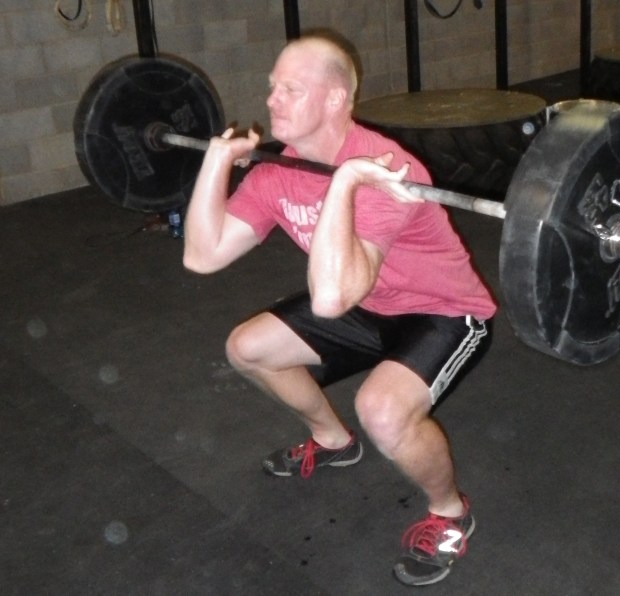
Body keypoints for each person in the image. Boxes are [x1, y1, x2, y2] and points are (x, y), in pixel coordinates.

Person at [183, 32, 497, 587]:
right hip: (364, 300)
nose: (272, 99)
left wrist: (348, 179)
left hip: (441, 311)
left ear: (334, 99)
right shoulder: (278, 171)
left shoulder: (388, 170)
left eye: (290, 89)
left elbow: (331, 298)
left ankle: (450, 513)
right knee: (247, 348)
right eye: (272, 87)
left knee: (383, 412)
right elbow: (202, 256)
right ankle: (332, 439)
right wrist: (216, 164)